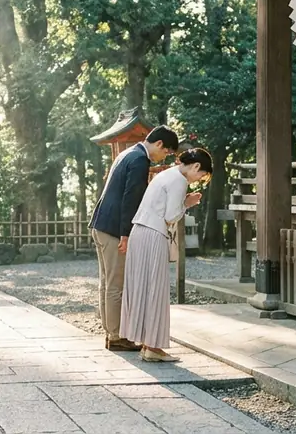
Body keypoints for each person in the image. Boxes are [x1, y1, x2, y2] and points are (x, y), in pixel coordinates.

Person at [89, 126, 179, 351]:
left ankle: (111, 332)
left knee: (107, 282)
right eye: (166, 151)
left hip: (101, 223)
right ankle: (117, 336)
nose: (163, 156)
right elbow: (130, 199)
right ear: (159, 144)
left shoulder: (127, 153)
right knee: (116, 284)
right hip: (113, 229)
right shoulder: (140, 160)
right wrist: (126, 234)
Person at [120, 147, 213, 362]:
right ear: (196, 166)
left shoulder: (165, 174)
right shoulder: (179, 180)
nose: (197, 180)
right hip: (153, 235)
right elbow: (171, 216)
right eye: (200, 175)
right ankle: (153, 347)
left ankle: (146, 342)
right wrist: (187, 204)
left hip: (139, 231)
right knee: (155, 290)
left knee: (141, 288)